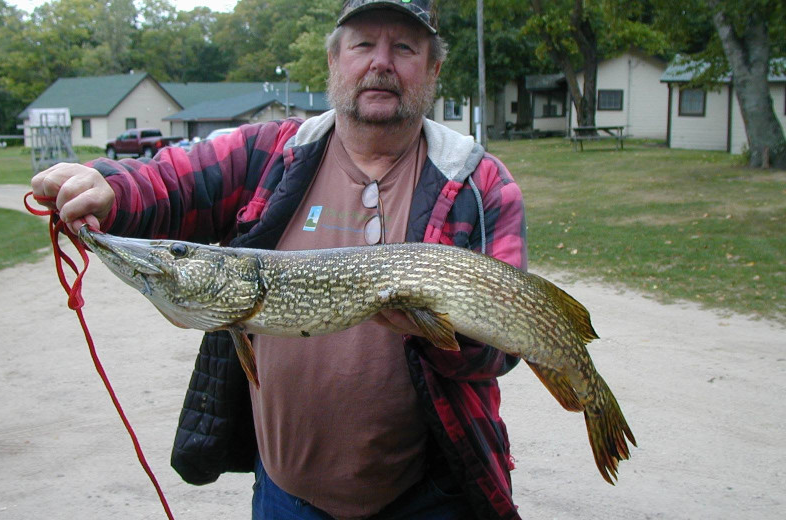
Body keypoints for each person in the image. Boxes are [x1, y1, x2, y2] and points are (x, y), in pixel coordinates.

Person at [31, 1, 527, 518]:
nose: (381, 62)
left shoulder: (479, 182)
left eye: (404, 47)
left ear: (433, 68)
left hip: (430, 496)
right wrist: (108, 189)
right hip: (287, 497)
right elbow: (172, 180)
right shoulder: (272, 153)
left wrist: (435, 333)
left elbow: (502, 347)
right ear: (335, 59)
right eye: (362, 44)